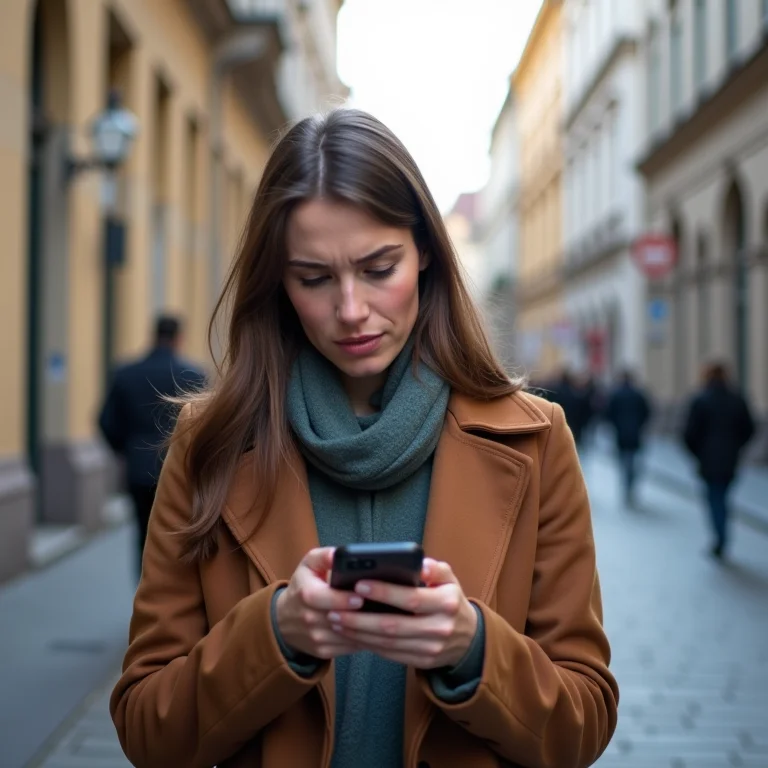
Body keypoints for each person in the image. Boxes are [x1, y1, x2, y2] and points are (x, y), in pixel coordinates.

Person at [110, 110, 618, 768]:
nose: (350, 310)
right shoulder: (210, 442)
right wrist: (274, 635)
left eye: (379, 268)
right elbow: (148, 731)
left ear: (427, 251)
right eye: (314, 278)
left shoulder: (535, 440)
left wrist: (472, 649)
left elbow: (584, 722)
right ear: (278, 283)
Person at [98, 315, 205, 577]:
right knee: (177, 533)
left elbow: (106, 421)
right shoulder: (192, 374)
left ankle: (145, 594)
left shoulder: (126, 374)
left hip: (137, 468)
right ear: (179, 338)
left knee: (143, 534)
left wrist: (126, 449)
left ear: (153, 335)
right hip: (180, 468)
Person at [682, 361, 755, 560]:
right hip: (730, 458)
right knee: (722, 496)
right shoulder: (737, 399)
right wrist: (737, 447)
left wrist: (698, 453)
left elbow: (689, 433)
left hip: (707, 459)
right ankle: (722, 536)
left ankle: (720, 537)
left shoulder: (701, 400)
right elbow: (749, 428)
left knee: (714, 498)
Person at [605, 370, 651, 508]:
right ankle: (630, 485)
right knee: (633, 461)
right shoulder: (639, 394)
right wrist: (639, 425)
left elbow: (608, 414)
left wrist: (615, 426)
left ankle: (626, 485)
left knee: (624, 461)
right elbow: (647, 412)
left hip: (621, 434)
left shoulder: (616, 394)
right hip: (635, 433)